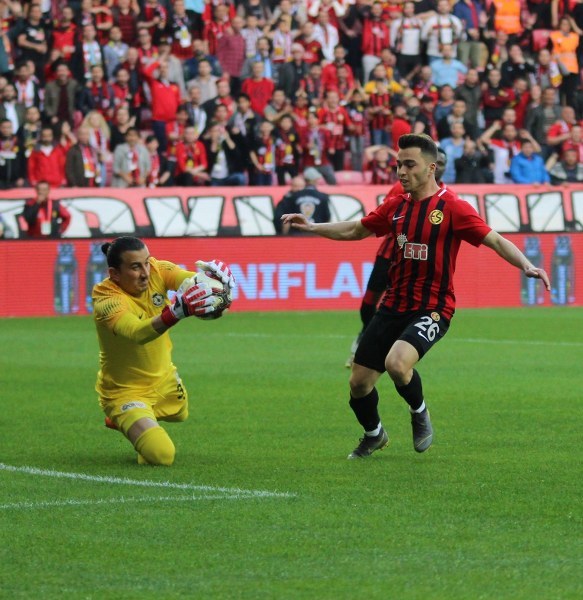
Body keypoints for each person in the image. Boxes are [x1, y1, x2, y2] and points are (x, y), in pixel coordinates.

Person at [281, 134, 550, 458]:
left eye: (409, 165)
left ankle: (419, 411)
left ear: (431, 168)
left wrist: (528, 265)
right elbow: (356, 230)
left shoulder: (453, 207)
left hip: (433, 307)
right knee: (359, 384)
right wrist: (312, 227)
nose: (401, 172)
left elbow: (494, 240)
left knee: (397, 363)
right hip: (393, 305)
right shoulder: (395, 206)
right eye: (398, 165)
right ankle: (374, 434)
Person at [92, 236, 236, 466]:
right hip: (125, 391)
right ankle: (122, 416)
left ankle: (132, 422)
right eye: (135, 266)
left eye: (146, 262)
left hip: (164, 379)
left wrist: (219, 287)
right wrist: (174, 314)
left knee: (181, 413)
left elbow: (196, 285)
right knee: (162, 455)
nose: (145, 272)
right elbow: (137, 333)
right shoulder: (106, 300)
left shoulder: (158, 270)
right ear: (115, 274)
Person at [345, 147, 448, 368]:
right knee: (368, 303)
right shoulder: (399, 189)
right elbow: (383, 217)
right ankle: (366, 333)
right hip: (389, 253)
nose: (438, 168)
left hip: (415, 262)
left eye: (441, 165)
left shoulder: (447, 199)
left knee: (402, 305)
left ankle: (398, 351)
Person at [273, 169, 331, 234]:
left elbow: (286, 221)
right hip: (316, 234)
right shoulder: (323, 196)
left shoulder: (292, 196)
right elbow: (327, 219)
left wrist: (284, 236)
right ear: (315, 180)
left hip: (296, 234)